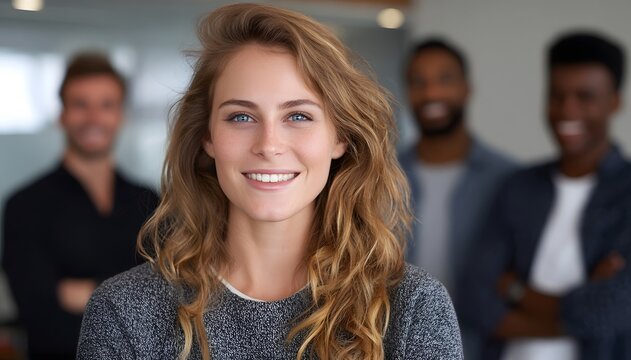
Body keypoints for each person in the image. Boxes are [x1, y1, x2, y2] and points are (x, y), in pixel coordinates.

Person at [77, 4, 463, 360]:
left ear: (340, 137)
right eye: (241, 117)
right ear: (207, 137)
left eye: (298, 116)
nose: (269, 145)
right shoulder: (125, 311)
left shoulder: (412, 308)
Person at [460, 31, 631, 360]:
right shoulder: (519, 186)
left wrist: (516, 290)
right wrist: (584, 295)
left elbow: (616, 308)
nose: (567, 110)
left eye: (585, 96)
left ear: (614, 102)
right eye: (557, 95)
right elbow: (474, 297)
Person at [1, 53, 158, 359]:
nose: (94, 118)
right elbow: (39, 316)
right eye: (80, 104)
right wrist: (132, 296)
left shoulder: (148, 200)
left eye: (106, 105)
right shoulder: (25, 206)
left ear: (120, 115)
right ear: (62, 114)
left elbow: (168, 299)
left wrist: (82, 292)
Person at [399, 38, 517, 360]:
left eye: (444, 79)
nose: (432, 93)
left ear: (467, 88)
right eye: (418, 82)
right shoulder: (381, 177)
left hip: (482, 348)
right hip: (394, 345)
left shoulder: (507, 178)